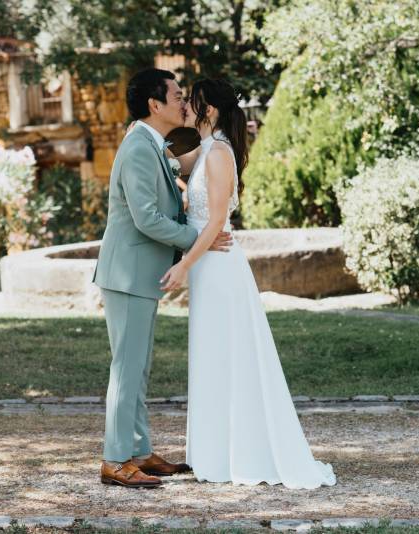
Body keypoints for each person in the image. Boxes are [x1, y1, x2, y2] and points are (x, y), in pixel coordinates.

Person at [160, 78, 337, 489]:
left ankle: (240, 454)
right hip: (208, 264)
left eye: (194, 101)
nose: (187, 105)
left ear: (212, 109)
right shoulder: (205, 150)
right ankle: (214, 454)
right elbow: (184, 185)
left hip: (217, 266)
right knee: (212, 354)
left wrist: (185, 264)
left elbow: (217, 219)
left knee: (230, 354)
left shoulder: (219, 153)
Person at [92, 68, 233, 488]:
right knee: (126, 369)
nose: (184, 103)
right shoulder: (138, 147)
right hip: (128, 273)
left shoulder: (153, 145)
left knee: (137, 368)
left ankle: (138, 451)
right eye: (176, 95)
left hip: (139, 274)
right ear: (155, 105)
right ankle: (115, 460)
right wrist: (201, 239)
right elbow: (147, 218)